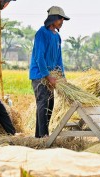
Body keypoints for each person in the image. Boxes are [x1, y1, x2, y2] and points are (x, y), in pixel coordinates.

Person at [29, 6, 70, 138]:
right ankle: (44, 136)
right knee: (43, 102)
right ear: (53, 19)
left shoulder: (57, 37)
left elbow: (59, 59)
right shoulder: (41, 33)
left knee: (50, 104)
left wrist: (62, 76)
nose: (62, 21)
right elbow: (39, 57)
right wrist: (47, 76)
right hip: (39, 75)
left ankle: (38, 136)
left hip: (51, 75)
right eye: (61, 19)